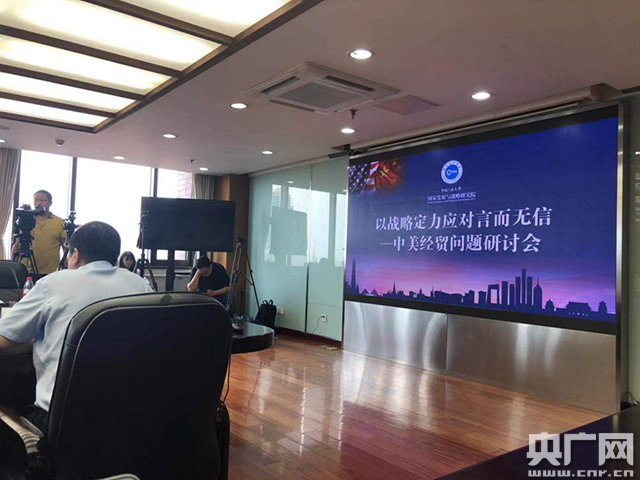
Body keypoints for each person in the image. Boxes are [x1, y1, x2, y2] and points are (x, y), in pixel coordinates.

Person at [0, 221, 154, 432]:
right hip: (128, 420)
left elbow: (3, 341)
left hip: (62, 424)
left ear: (75, 255)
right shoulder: (140, 284)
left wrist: (41, 341)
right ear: (115, 257)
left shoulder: (53, 283)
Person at [11, 190, 66, 275]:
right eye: (36, 200)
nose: (38, 203)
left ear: (50, 203)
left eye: (43, 200)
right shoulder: (26, 220)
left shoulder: (59, 222)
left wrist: (66, 268)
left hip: (50, 272)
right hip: (25, 270)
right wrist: (12, 263)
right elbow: (17, 244)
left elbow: (65, 247)